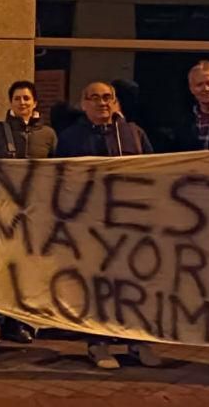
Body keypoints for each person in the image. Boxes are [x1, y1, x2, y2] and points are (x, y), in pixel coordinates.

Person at [55, 82, 162, 371]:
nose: (102, 103)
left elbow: (154, 172)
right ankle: (97, 343)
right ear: (83, 103)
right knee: (97, 286)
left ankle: (138, 341)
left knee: (135, 284)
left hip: (131, 225)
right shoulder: (71, 138)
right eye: (95, 98)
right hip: (91, 226)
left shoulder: (134, 134)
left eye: (107, 98)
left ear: (115, 102)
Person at [0, 80, 58, 345]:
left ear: (35, 102)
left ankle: (19, 323)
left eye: (26, 99)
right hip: (2, 212)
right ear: (10, 103)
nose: (22, 103)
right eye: (17, 99)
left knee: (26, 271)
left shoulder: (47, 135)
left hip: (35, 214)